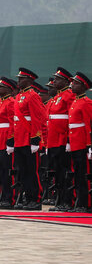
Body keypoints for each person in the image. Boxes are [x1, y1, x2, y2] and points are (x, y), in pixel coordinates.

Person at [13, 67, 47, 210]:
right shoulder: (19, 96)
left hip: (28, 139)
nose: (19, 81)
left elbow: (37, 118)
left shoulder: (33, 96)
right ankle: (27, 198)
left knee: (32, 171)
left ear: (29, 80)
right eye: (18, 78)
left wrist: (35, 139)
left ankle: (36, 199)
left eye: (21, 79)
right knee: (23, 171)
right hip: (20, 139)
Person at [45, 67, 75, 211]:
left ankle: (66, 201)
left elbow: (72, 119)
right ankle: (59, 200)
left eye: (57, 79)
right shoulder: (56, 98)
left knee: (64, 173)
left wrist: (69, 139)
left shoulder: (69, 96)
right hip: (53, 141)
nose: (54, 81)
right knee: (57, 173)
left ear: (64, 81)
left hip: (62, 140)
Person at [66, 72, 92, 212]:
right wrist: (69, 141)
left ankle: (85, 203)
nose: (72, 85)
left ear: (83, 86)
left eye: (75, 83)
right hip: (75, 143)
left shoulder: (87, 103)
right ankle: (79, 202)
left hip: (83, 144)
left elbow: (89, 126)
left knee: (84, 175)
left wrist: (90, 146)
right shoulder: (75, 101)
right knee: (77, 174)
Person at [0, 77, 17, 208]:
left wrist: (10, 140)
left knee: (8, 170)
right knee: (1, 171)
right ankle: (4, 197)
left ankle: (9, 198)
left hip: (6, 139)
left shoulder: (10, 103)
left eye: (0, 87)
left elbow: (12, 123)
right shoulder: (0, 102)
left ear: (8, 89)